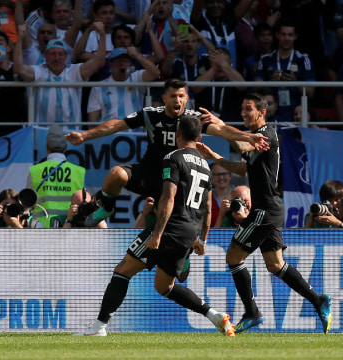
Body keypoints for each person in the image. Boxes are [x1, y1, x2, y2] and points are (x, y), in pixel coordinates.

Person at [75, 115, 235, 337]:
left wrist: (157, 235)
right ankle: (213, 314)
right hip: (189, 233)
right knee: (164, 287)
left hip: (169, 228)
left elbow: (168, 199)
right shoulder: (206, 167)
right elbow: (207, 209)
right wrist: (202, 240)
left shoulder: (173, 157)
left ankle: (99, 327)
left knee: (123, 271)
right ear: (199, 137)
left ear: (177, 134)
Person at [196, 93, 332, 334]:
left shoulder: (266, 135)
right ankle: (318, 300)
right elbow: (241, 167)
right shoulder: (256, 141)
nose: (244, 113)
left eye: (248, 109)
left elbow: (237, 139)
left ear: (262, 111)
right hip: (271, 208)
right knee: (275, 264)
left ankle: (252, 312)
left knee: (233, 257)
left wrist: (211, 126)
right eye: (242, 109)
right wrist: (215, 156)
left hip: (264, 210)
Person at [65, 78, 268, 227]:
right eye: (173, 96)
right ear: (165, 98)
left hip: (176, 180)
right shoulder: (150, 115)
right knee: (116, 174)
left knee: (175, 222)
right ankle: (107, 207)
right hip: (149, 173)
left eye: (181, 96)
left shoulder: (193, 119)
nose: (177, 100)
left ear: (187, 98)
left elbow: (221, 130)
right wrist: (84, 136)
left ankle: (185, 250)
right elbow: (117, 125)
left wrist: (246, 137)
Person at [13, 23, 107, 129]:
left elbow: (99, 62)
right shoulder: (39, 71)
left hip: (72, 133)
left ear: (66, 56)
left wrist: (102, 36)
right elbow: (18, 68)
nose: (57, 58)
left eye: (60, 54)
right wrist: (20, 38)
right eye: (53, 54)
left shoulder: (74, 72)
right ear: (46, 56)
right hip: (43, 133)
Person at [254, 20, 315, 122]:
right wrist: (271, 82)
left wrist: (295, 83)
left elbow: (311, 92)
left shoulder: (303, 59)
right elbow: (255, 87)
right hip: (271, 112)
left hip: (296, 113)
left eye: (290, 35)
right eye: (283, 34)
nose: (286, 38)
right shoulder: (265, 59)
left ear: (295, 36)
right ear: (277, 35)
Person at [27, 124, 86, 228]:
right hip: (70, 227)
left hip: (41, 227)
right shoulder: (79, 172)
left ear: (47, 147)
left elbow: (27, 202)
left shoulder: (35, 171)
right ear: (66, 147)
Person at [86, 46, 161, 124]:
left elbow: (156, 73)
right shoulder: (98, 87)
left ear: (130, 65)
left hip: (133, 133)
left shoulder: (137, 78)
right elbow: (92, 120)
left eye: (125, 61)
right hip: (108, 133)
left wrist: (137, 56)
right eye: (118, 61)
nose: (122, 64)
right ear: (111, 65)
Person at [210, 163, 234, 227]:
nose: (221, 177)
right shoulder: (207, 198)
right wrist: (221, 214)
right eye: (217, 175)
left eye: (224, 174)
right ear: (212, 177)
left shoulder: (238, 195)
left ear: (230, 176)